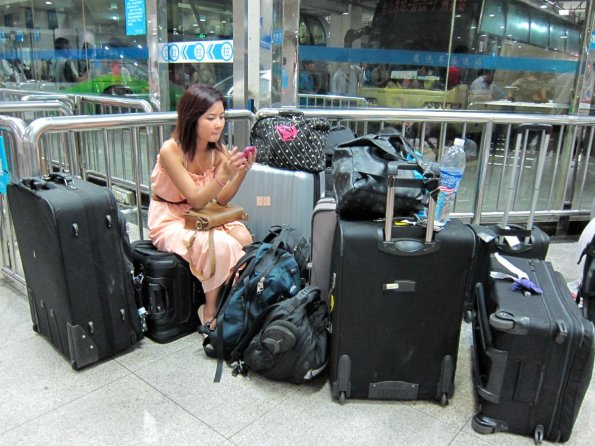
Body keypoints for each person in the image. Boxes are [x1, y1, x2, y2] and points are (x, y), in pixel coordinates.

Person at [147, 83, 255, 332]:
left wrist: (240, 173)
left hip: (201, 215)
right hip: (170, 218)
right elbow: (195, 199)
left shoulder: (216, 150)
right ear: (192, 119)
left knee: (243, 236)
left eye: (222, 117)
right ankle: (209, 308)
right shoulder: (170, 150)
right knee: (221, 243)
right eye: (211, 118)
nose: (219, 124)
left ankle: (233, 301)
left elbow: (222, 200)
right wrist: (221, 175)